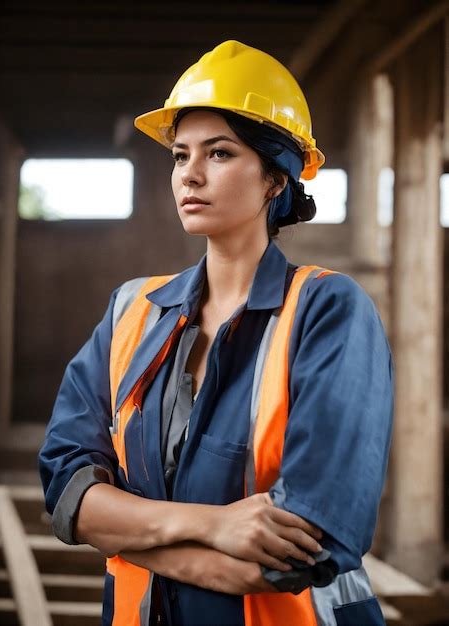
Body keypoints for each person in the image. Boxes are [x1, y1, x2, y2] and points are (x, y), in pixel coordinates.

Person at [39, 40, 394, 626]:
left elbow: (304, 548)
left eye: (220, 153)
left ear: (276, 179)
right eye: (180, 156)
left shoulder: (328, 310)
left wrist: (124, 531)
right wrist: (214, 526)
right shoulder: (132, 309)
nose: (191, 175)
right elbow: (66, 489)